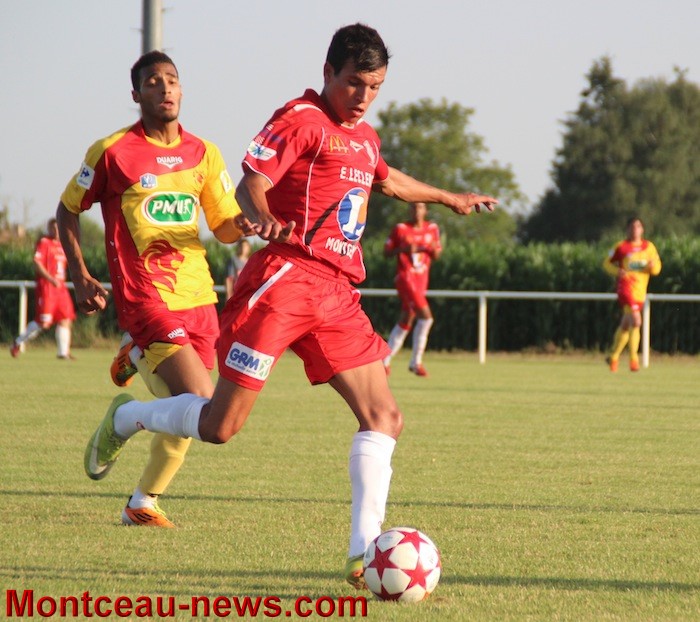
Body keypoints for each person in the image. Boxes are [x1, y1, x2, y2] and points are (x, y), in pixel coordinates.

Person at [83, 24, 497, 587]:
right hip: (284, 281)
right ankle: (127, 417)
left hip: (336, 292)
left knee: (385, 417)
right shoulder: (300, 118)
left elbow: (386, 180)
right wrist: (263, 216)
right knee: (220, 426)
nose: (364, 96)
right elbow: (252, 181)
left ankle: (363, 554)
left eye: (375, 86)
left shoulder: (365, 137)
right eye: (354, 83)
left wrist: (450, 198)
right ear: (328, 73)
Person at [57, 50, 250, 527]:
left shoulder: (204, 153)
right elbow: (67, 210)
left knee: (187, 412)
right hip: (146, 297)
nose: (165, 88)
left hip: (200, 299)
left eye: (172, 80)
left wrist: (246, 223)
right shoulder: (112, 152)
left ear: (182, 90)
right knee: (202, 399)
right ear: (136, 94)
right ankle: (123, 417)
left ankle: (142, 502)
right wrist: (79, 274)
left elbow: (224, 226)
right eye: (152, 82)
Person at [382, 202, 442, 376]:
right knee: (426, 317)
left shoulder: (432, 228)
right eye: (413, 207)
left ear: (426, 210)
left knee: (407, 317)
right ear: (409, 210)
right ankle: (416, 362)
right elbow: (386, 253)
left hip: (421, 278)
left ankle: (384, 361)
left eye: (420, 207)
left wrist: (431, 249)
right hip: (405, 278)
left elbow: (437, 255)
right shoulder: (401, 229)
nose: (417, 210)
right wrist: (403, 249)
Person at [10, 218, 76, 359]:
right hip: (47, 287)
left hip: (61, 288)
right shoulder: (44, 243)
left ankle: (63, 353)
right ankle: (17, 342)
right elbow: (37, 263)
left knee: (65, 318)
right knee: (43, 323)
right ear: (49, 229)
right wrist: (50, 278)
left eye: (58, 228)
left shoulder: (63, 245)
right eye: (53, 228)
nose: (56, 231)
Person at [603, 216, 661, 372]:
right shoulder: (621, 247)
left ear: (642, 229)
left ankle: (614, 357)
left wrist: (652, 267)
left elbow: (657, 269)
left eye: (638, 226)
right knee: (636, 320)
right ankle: (633, 359)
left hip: (640, 291)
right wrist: (617, 271)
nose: (635, 229)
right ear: (627, 229)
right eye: (632, 227)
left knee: (626, 323)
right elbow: (606, 263)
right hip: (626, 288)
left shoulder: (649, 247)